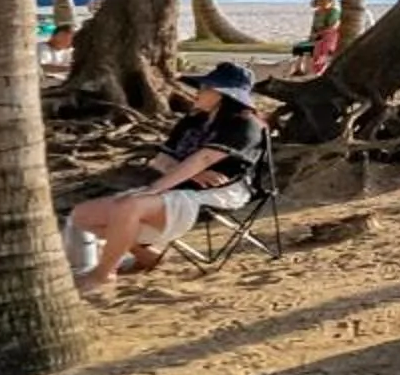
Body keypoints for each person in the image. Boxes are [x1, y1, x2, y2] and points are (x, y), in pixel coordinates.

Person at [61, 62, 268, 290]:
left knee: (129, 207)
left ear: (223, 95)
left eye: (205, 87)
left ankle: (103, 274)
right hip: (176, 185)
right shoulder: (193, 121)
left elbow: (204, 159)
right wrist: (185, 173)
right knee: (81, 216)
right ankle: (147, 256)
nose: (198, 91)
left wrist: (157, 187)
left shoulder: (245, 125)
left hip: (218, 193)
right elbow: (161, 160)